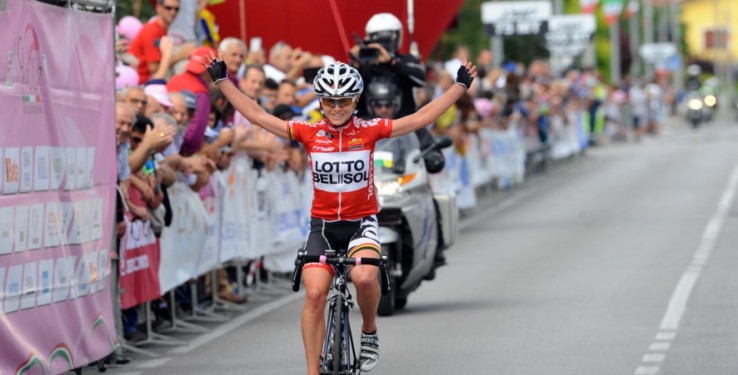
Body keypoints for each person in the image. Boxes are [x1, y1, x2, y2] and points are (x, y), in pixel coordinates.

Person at [203, 55, 476, 374]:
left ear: (356, 100)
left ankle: (369, 330)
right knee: (316, 294)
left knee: (363, 276)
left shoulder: (370, 130)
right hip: (323, 227)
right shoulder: (308, 132)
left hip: (362, 224)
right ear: (320, 101)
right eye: (330, 101)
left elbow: (419, 118)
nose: (336, 107)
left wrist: (459, 87)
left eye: (344, 100)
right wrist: (222, 82)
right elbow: (258, 115)